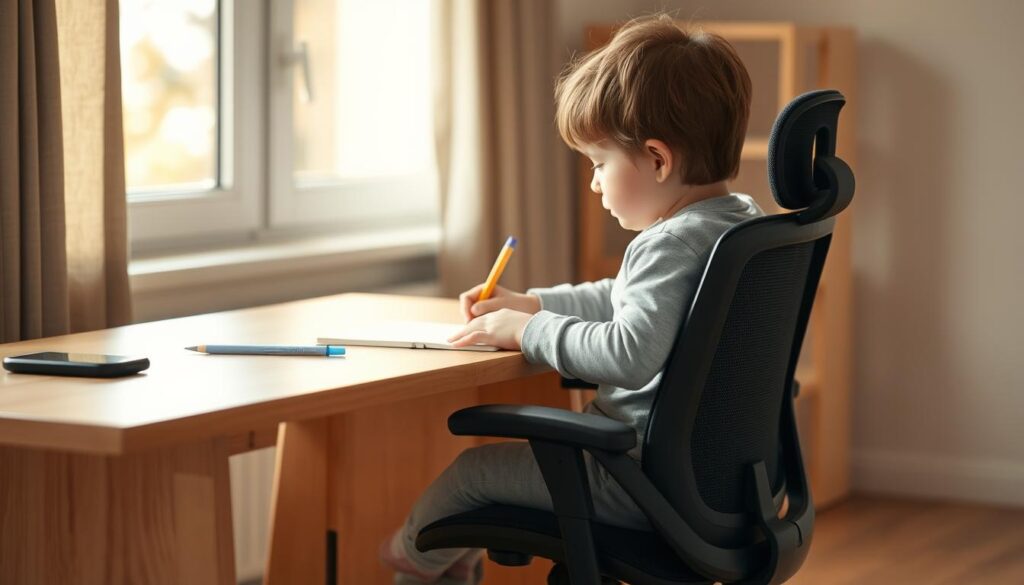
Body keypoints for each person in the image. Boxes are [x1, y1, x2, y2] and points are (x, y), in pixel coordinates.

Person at [380, 14, 761, 584]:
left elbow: (631, 352)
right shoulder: (737, 228)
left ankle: (412, 559)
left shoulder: (669, 243)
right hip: (718, 485)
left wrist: (525, 333)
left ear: (657, 160)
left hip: (634, 480)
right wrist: (534, 303)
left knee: (470, 475)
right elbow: (628, 300)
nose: (594, 183)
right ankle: (448, 566)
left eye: (599, 163)